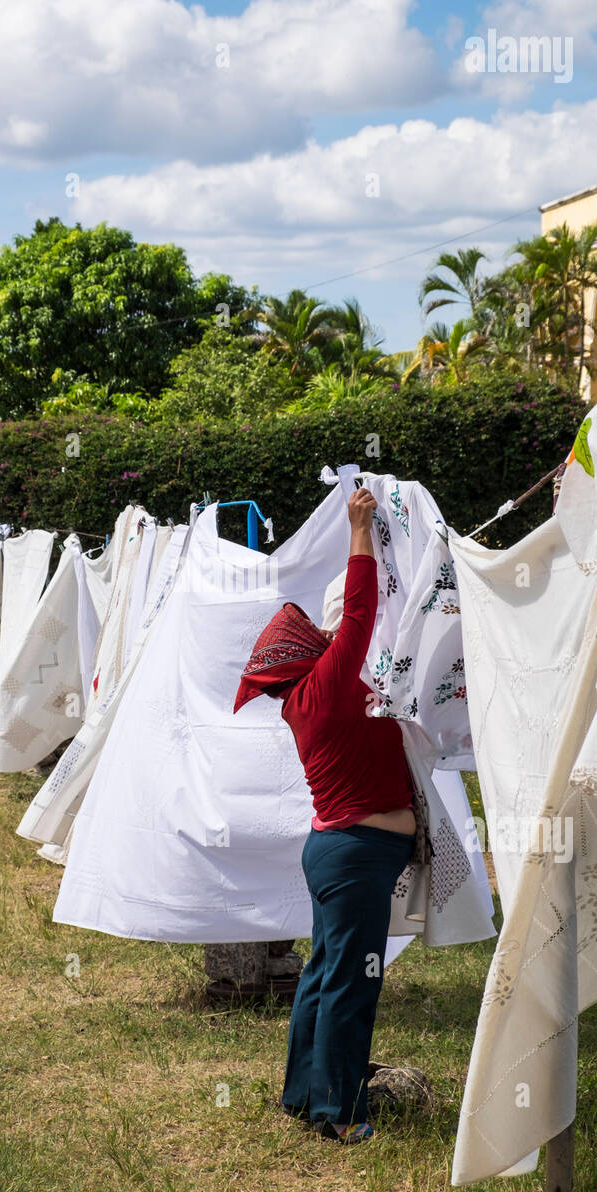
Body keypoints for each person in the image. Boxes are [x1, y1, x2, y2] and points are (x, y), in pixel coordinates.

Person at [233, 486, 416, 1143]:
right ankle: (339, 1113)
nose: (326, 631)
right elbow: (362, 608)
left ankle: (302, 1094)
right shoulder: (331, 683)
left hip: (334, 851)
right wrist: (358, 528)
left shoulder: (301, 701)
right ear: (307, 653)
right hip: (356, 854)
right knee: (350, 984)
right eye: (315, 633)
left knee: (322, 975)